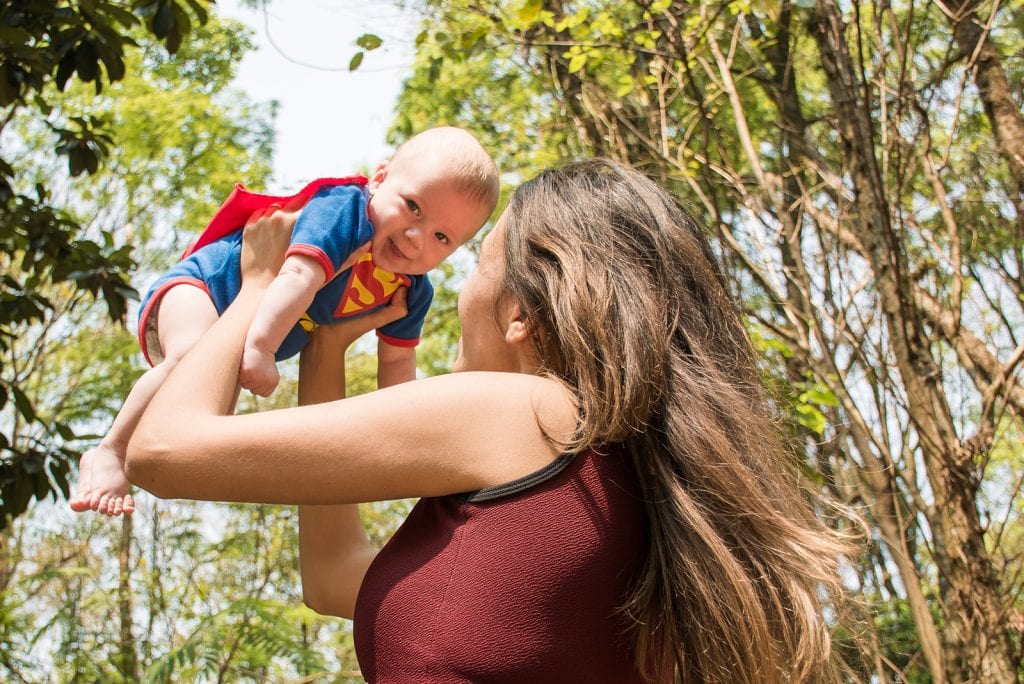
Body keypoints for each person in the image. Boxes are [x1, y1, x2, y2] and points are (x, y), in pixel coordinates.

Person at [124, 159, 849, 682]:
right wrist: (328, 346)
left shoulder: (527, 412)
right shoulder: (614, 482)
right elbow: (334, 577)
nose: (451, 282)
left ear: (521, 315)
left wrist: (257, 285)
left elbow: (162, 450)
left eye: (473, 267)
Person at [71, 126, 499, 518]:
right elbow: (297, 276)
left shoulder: (410, 291)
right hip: (205, 287)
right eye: (413, 207)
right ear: (380, 178)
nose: (416, 237)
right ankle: (110, 449)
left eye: (442, 237)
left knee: (205, 413)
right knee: (189, 356)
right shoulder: (345, 211)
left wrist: (409, 439)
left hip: (240, 331)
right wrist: (261, 348)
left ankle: (142, 454)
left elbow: (397, 368)